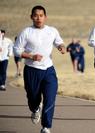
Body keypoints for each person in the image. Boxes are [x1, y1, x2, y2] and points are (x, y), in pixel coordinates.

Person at [13, 5, 65, 133]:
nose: (38, 18)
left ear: (45, 17)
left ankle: (46, 127)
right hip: (31, 70)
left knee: (50, 97)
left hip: (48, 70)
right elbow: (16, 50)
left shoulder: (52, 31)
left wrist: (61, 47)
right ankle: (35, 109)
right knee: (33, 98)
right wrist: (31, 56)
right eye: (35, 15)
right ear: (31, 17)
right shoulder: (26, 32)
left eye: (41, 15)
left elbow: (59, 42)